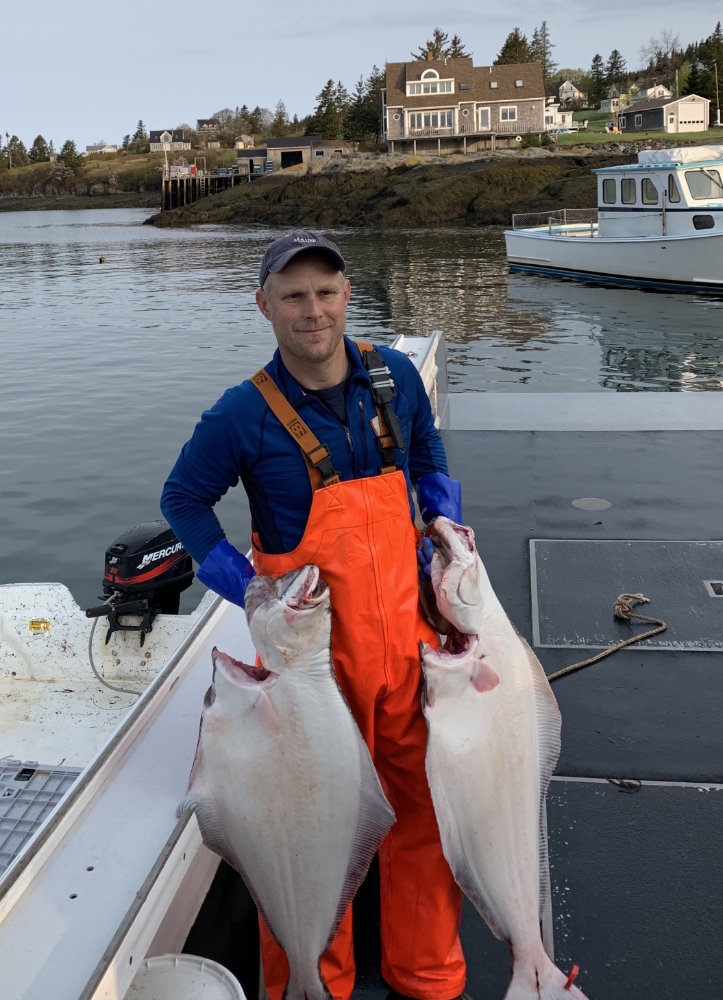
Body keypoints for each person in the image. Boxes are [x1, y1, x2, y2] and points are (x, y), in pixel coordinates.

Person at [160, 230, 465, 1000]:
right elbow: (183, 500)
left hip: (407, 646)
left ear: (346, 295)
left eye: (325, 292)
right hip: (306, 668)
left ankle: (425, 977)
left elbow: (426, 457)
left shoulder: (393, 377)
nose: (312, 310)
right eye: (292, 295)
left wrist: (440, 512)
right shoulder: (240, 414)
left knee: (423, 817)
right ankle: (308, 983)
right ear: (264, 306)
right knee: (301, 831)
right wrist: (237, 579)